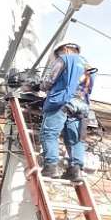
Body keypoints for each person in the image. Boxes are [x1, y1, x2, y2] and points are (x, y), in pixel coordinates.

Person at [39, 42, 92, 181]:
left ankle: (51, 167)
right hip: (81, 107)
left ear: (66, 49)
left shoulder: (65, 59)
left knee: (49, 134)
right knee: (75, 140)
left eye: (59, 53)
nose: (58, 56)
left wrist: (40, 85)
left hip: (63, 102)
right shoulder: (88, 66)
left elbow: (49, 81)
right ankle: (75, 170)